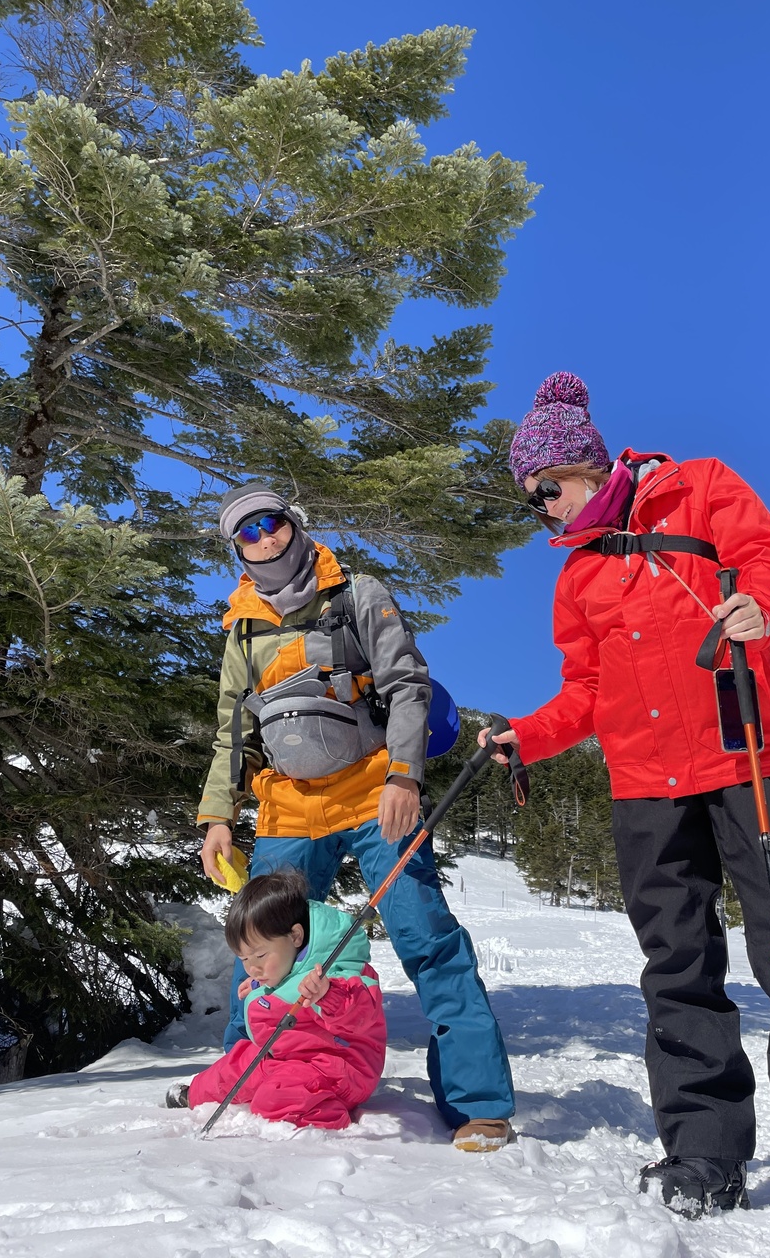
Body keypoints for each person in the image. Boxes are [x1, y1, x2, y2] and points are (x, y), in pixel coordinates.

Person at [482, 371, 770, 1232]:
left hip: (751, 761)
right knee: (678, 972)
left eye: (547, 489)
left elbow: (768, 561)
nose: (544, 509)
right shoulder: (578, 581)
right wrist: (525, 735)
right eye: (532, 502)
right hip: (646, 790)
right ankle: (705, 1154)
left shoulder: (698, 487)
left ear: (587, 466)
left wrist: (759, 605)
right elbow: (585, 695)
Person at [196, 483, 515, 1151]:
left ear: (294, 524)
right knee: (259, 949)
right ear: (237, 551)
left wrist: (405, 775)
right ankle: (246, 1071)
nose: (261, 538)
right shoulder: (242, 629)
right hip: (287, 803)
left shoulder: (358, 593)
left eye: (269, 523)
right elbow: (229, 732)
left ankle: (477, 1103)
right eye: (245, 534)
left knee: (423, 935)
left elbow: (406, 684)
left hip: (374, 791)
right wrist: (217, 818)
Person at [166, 870, 386, 1128]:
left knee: (276, 1099)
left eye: (259, 957)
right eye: (245, 959)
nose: (252, 968)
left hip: (337, 1068)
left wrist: (329, 995)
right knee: (241, 1062)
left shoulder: (334, 968)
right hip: (286, 1055)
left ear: (295, 936)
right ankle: (195, 1094)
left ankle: (326, 1119)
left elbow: (361, 1012)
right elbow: (289, 976)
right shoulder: (284, 961)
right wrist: (262, 985)